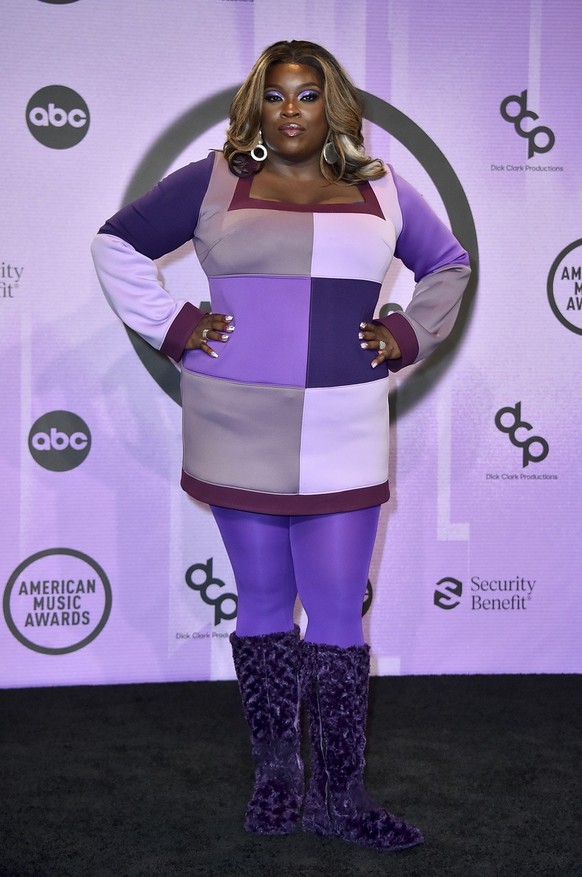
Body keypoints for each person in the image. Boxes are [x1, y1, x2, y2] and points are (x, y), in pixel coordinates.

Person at [91, 40, 470, 852]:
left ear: (332, 103)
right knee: (262, 603)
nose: (290, 109)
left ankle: (342, 797)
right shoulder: (215, 177)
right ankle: (276, 781)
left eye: (307, 94)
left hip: (344, 426)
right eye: (275, 94)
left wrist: (405, 332)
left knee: (337, 612)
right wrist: (177, 325)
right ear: (256, 105)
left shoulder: (384, 189)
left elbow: (447, 265)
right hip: (237, 422)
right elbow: (114, 245)